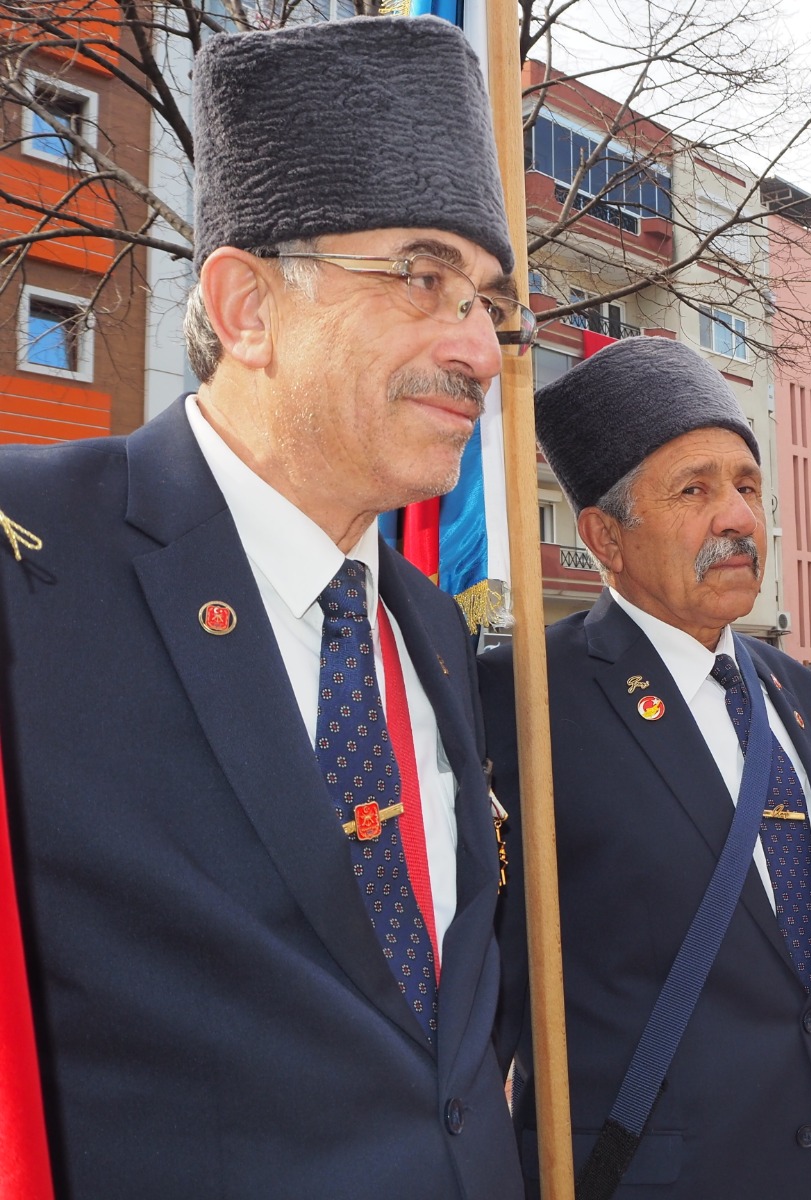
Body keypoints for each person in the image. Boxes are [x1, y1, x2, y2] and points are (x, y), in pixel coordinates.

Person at [0, 17, 527, 1197]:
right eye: (424, 278)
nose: (481, 350)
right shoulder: (28, 557)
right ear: (245, 308)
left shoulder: (431, 631)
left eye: (489, 303)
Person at [482, 336, 811, 1200]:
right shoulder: (527, 699)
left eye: (748, 487)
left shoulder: (802, 694)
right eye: (695, 490)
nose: (738, 518)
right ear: (605, 536)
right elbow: (484, 993)